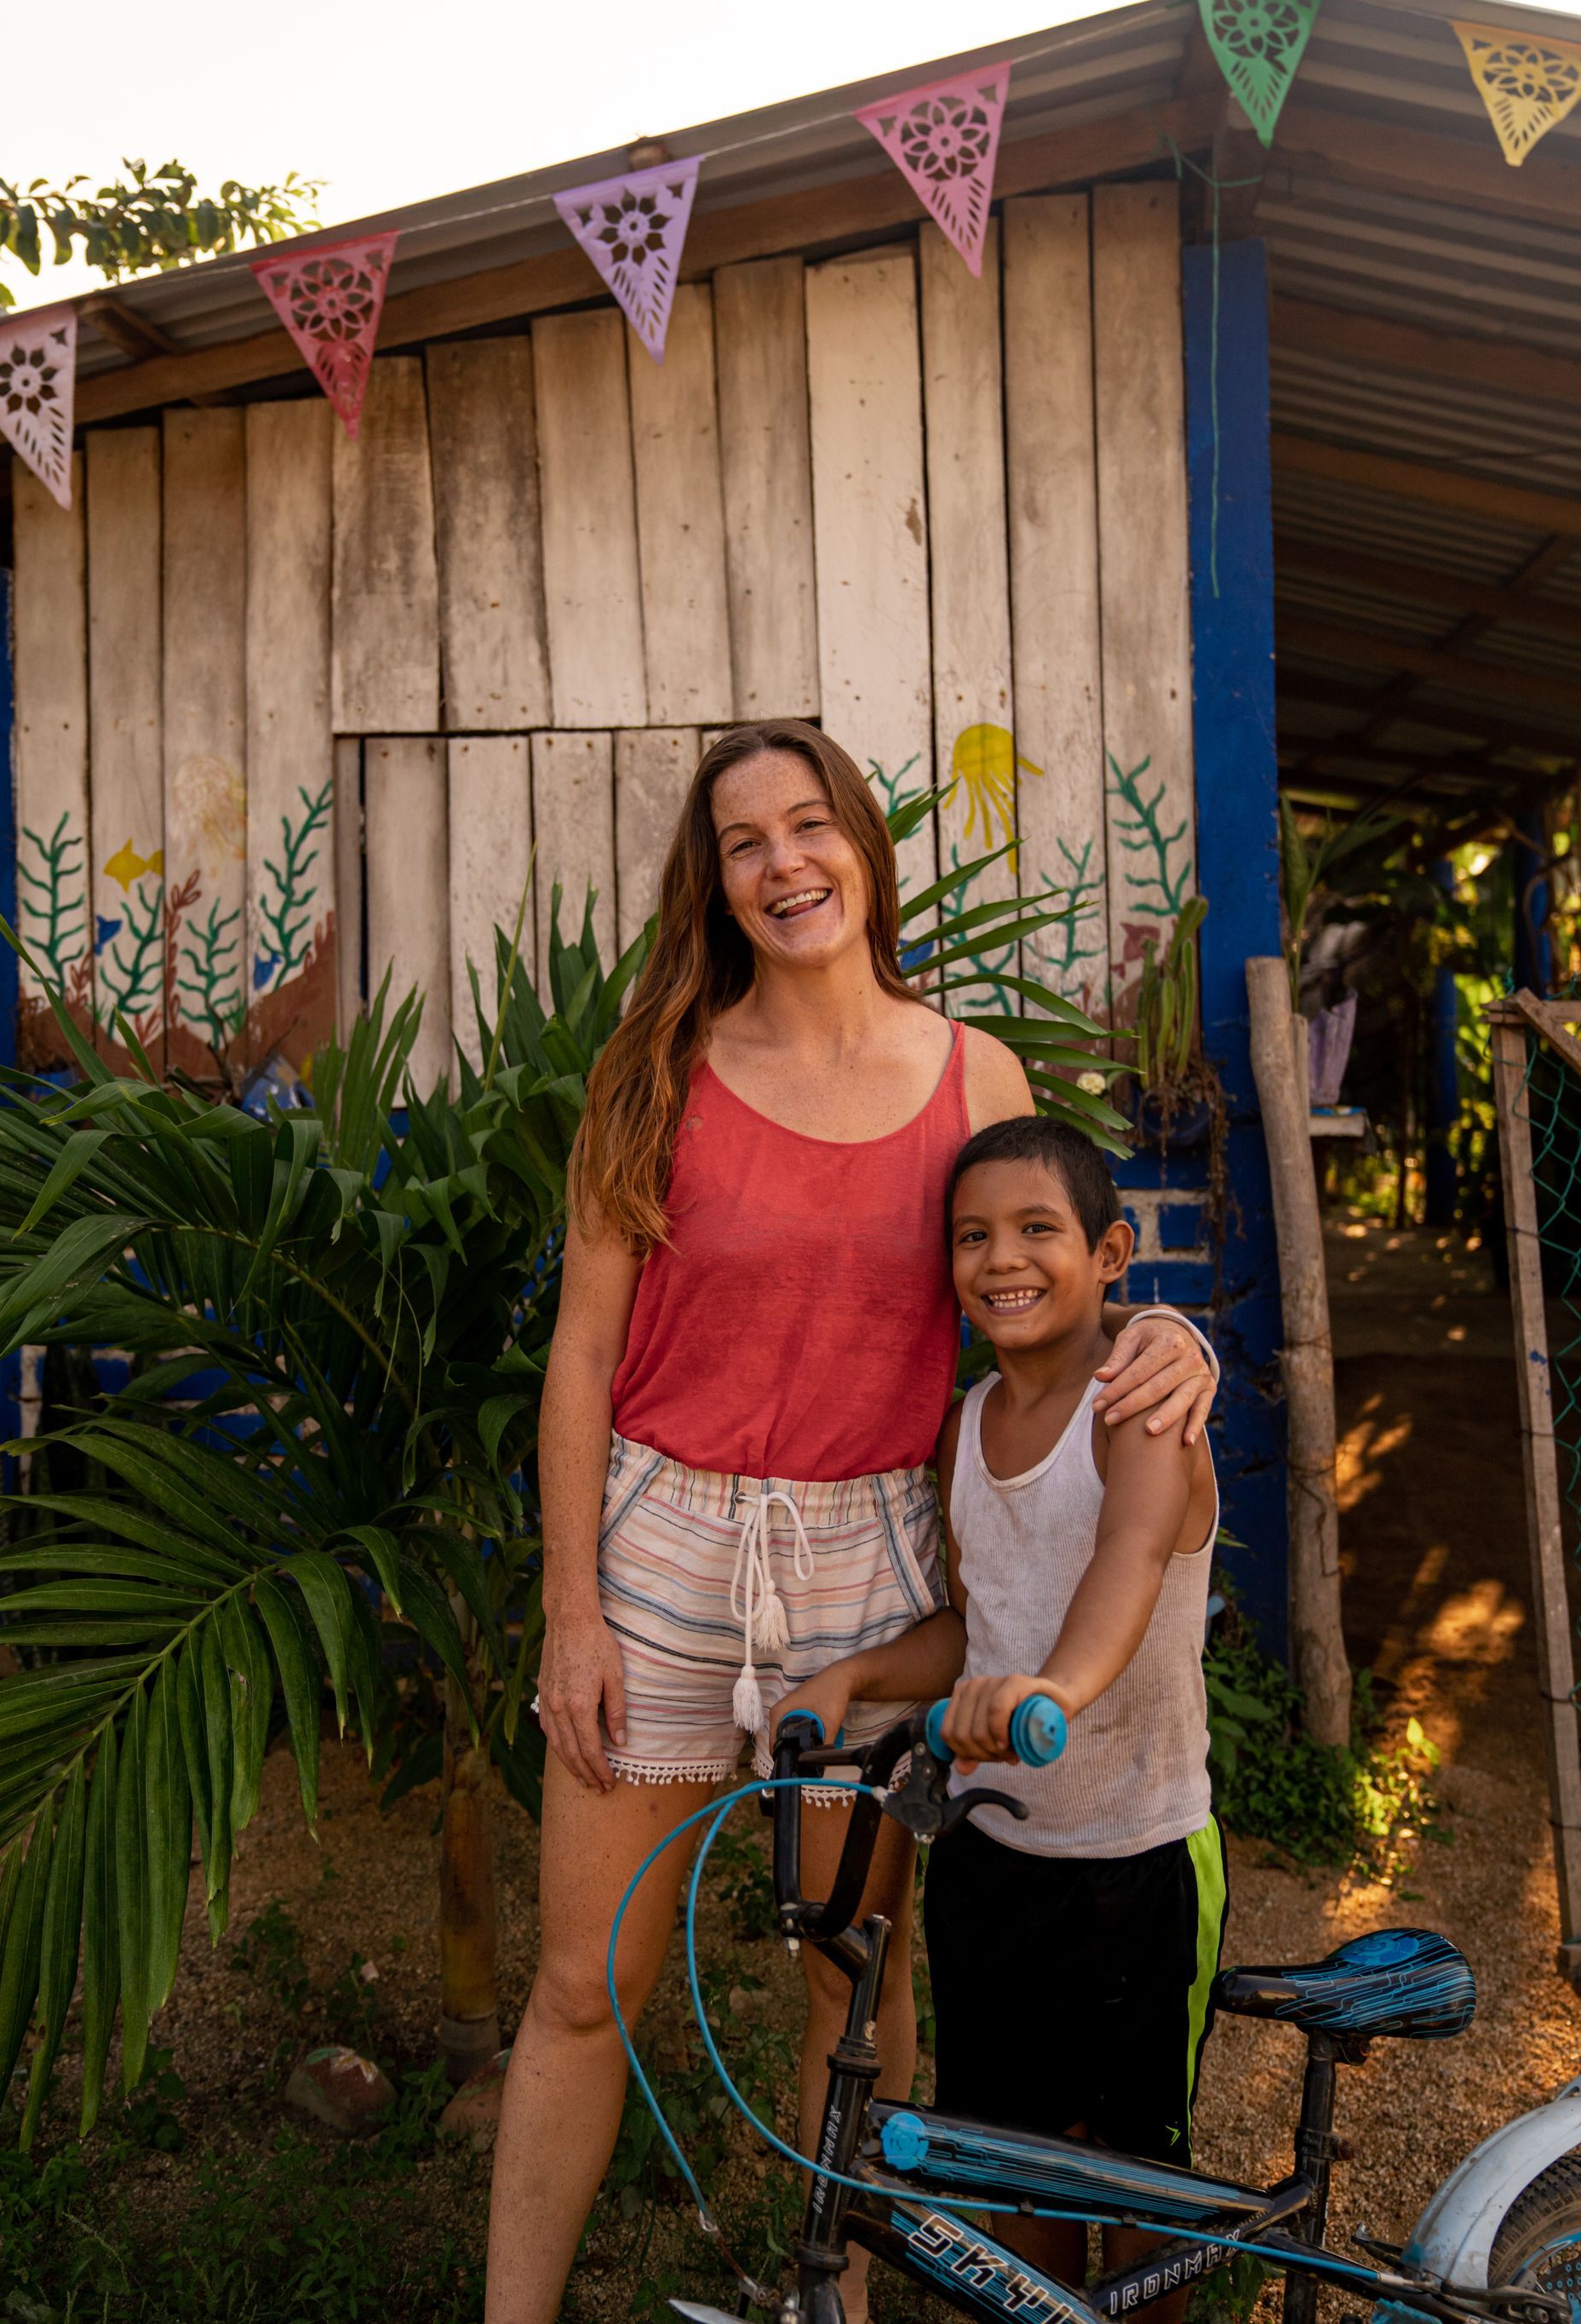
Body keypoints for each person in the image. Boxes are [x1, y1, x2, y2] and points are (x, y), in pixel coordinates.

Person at [484, 721, 1219, 2324]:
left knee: (849, 1984)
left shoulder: (973, 1075)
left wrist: (1181, 1338)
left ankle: (832, 2311)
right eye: (744, 841)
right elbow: (582, 1359)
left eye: (808, 827)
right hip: (663, 1554)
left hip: (871, 1561)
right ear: (717, 879)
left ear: (863, 853)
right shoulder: (654, 1069)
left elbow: (1046, 1288)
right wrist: (572, 1612)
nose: (781, 864)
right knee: (580, 1983)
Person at [774, 1113, 1223, 2308]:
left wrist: (1053, 1693)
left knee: (1137, 2188)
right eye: (972, 1237)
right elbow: (981, 1624)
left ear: (1113, 1253)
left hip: (1137, 1859)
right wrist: (857, 1677)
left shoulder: (1141, 1406)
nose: (1000, 1259)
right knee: (1013, 2172)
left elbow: (1123, 1568)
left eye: (1037, 1230)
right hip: (992, 1858)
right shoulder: (966, 1428)